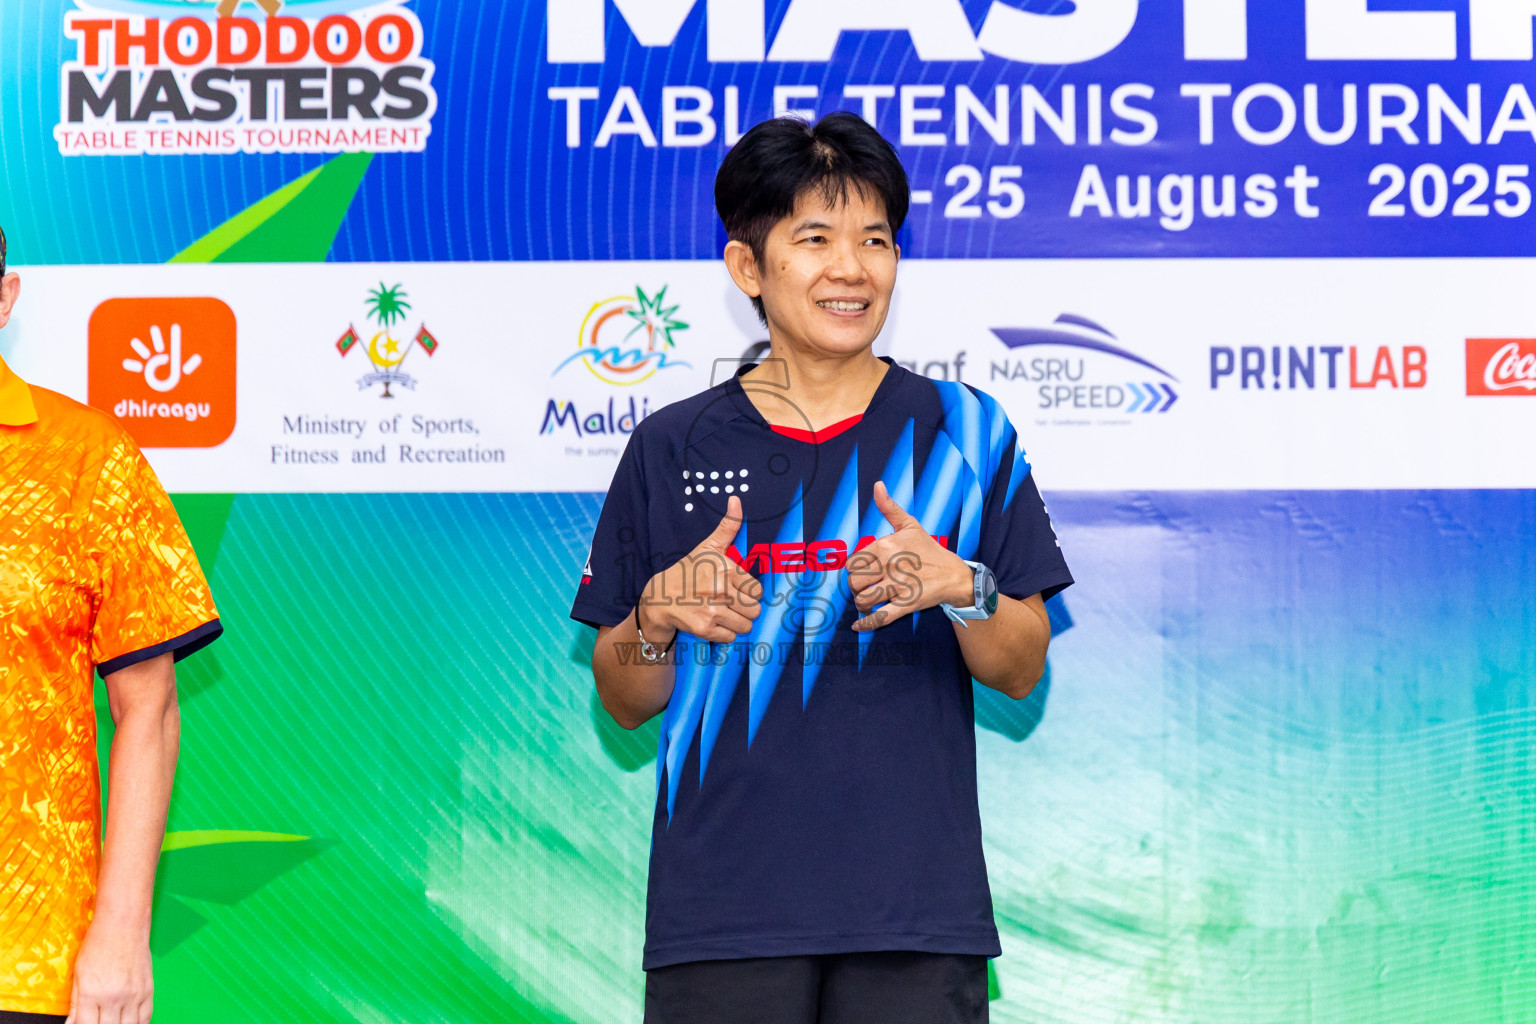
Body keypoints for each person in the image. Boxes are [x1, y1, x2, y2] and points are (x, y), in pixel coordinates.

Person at [570, 113, 1073, 1024]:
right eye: (816, 239)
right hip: (721, 918)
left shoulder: (965, 431)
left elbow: (1022, 665)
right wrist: (651, 621)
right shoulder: (671, 445)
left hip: (916, 919)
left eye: (875, 240)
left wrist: (965, 589)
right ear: (747, 268)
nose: (853, 268)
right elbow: (623, 696)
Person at [0, 225, 222, 1024]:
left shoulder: (91, 458)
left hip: (26, 958)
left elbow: (150, 711)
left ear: (6, 297)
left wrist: (123, 933)